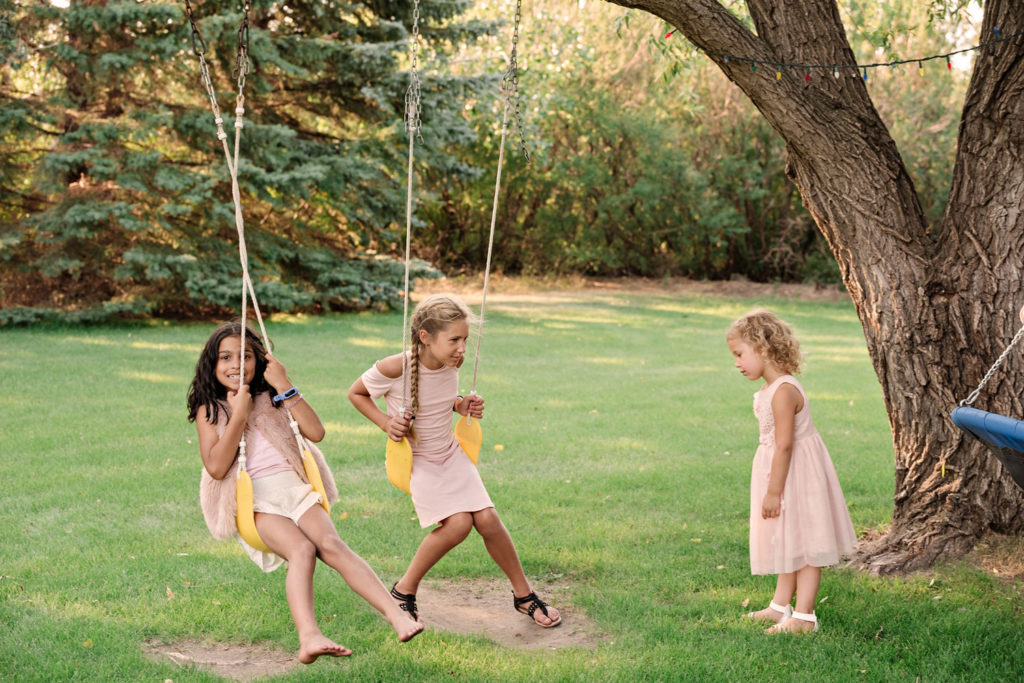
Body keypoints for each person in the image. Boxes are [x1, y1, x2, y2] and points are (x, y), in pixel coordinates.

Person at [187, 321, 423, 663]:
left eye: (246, 356)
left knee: (331, 545)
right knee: (301, 549)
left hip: (295, 486)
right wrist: (238, 414)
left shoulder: (273, 397)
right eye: (225, 357)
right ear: (212, 364)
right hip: (253, 502)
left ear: (261, 362)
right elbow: (216, 467)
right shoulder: (210, 410)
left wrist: (285, 384)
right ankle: (309, 636)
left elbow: (316, 431)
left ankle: (396, 615)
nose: (236, 365)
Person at [347, 294, 561, 629]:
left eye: (465, 339)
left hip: (449, 453)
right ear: (425, 338)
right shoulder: (395, 367)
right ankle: (404, 590)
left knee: (488, 519)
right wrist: (385, 422)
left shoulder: (451, 364)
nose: (462, 348)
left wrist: (461, 405)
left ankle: (523, 595)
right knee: (458, 524)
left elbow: (440, 401)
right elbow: (356, 393)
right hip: (417, 460)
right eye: (454, 340)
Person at [726, 310, 857, 634]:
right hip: (784, 471)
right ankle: (778, 606)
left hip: (796, 476)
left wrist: (773, 491)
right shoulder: (772, 388)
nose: (737, 363)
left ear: (763, 348)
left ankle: (805, 617)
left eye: (739, 354)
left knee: (808, 543)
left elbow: (785, 445)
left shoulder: (784, 391)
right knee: (788, 540)